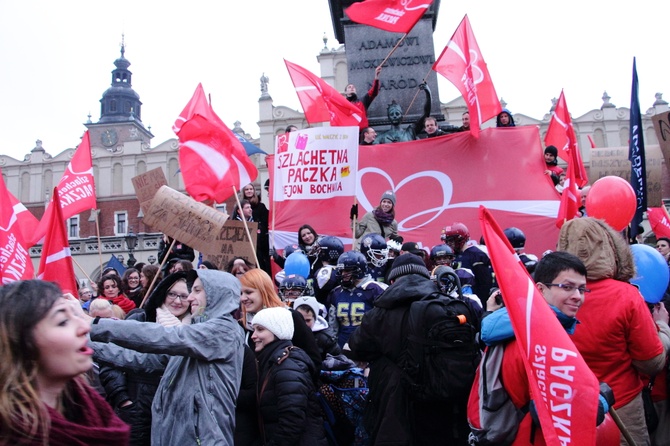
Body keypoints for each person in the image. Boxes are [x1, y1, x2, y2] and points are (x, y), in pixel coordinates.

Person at [469, 252, 620, 445]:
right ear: (540, 289)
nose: (577, 296)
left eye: (582, 289)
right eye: (567, 287)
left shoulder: (516, 323)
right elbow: (554, 417)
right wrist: (601, 401)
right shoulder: (542, 339)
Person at [89, 269, 245, 445]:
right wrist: (89, 345)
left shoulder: (223, 331)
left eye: (197, 290)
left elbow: (163, 335)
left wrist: (94, 325)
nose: (190, 298)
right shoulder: (198, 337)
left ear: (217, 294)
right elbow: (141, 359)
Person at [557, 217, 666, 445]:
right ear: (608, 246)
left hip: (568, 409)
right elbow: (652, 361)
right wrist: (663, 328)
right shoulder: (625, 295)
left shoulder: (548, 295)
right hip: (623, 409)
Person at [349, 253, 469, 444]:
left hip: (395, 404)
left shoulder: (381, 312)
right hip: (445, 403)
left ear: (394, 280)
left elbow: (357, 348)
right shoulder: (446, 305)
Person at [0, 280, 129, 445]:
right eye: (62, 321)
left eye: (74, 315)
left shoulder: (92, 411)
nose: (85, 327)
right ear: (20, 344)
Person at [98, 272, 191, 446]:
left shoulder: (195, 328)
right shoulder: (140, 318)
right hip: (138, 409)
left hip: (175, 412)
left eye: (184, 296)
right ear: (162, 293)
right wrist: (123, 399)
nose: (177, 301)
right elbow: (111, 359)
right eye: (172, 294)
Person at [250, 307, 328, 445]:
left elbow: (292, 422)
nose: (253, 336)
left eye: (260, 329)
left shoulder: (286, 367)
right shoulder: (273, 361)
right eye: (254, 329)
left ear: (277, 331)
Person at [239, 268, 322, 371]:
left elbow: (313, 361)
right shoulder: (241, 325)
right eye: (241, 293)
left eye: (248, 292)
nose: (242, 298)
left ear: (264, 291)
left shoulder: (291, 317)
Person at [327, 251, 387, 348]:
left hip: (368, 347)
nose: (343, 274)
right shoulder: (336, 292)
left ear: (360, 270)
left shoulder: (375, 289)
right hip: (342, 347)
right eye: (341, 271)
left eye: (347, 271)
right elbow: (333, 327)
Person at [442, 222, 493, 304]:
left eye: (451, 240)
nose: (448, 243)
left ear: (460, 239)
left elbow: (484, 283)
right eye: (447, 241)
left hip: (477, 297)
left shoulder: (476, 254)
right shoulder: (453, 257)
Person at [293, 295, 341, 361]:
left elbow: (338, 360)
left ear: (315, 319)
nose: (304, 324)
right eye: (300, 319)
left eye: (308, 320)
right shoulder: (289, 335)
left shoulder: (326, 338)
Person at [241, 182, 271, 275]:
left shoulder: (260, 206)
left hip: (260, 242)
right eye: (247, 189)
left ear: (254, 191)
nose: (249, 191)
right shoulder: (239, 205)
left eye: (251, 189)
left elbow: (266, 222)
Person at [345, 65, 382, 130]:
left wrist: (376, 77)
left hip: (362, 132)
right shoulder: (343, 105)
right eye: (349, 87)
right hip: (350, 133)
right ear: (345, 92)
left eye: (353, 87)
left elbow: (374, 92)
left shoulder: (362, 101)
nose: (352, 88)